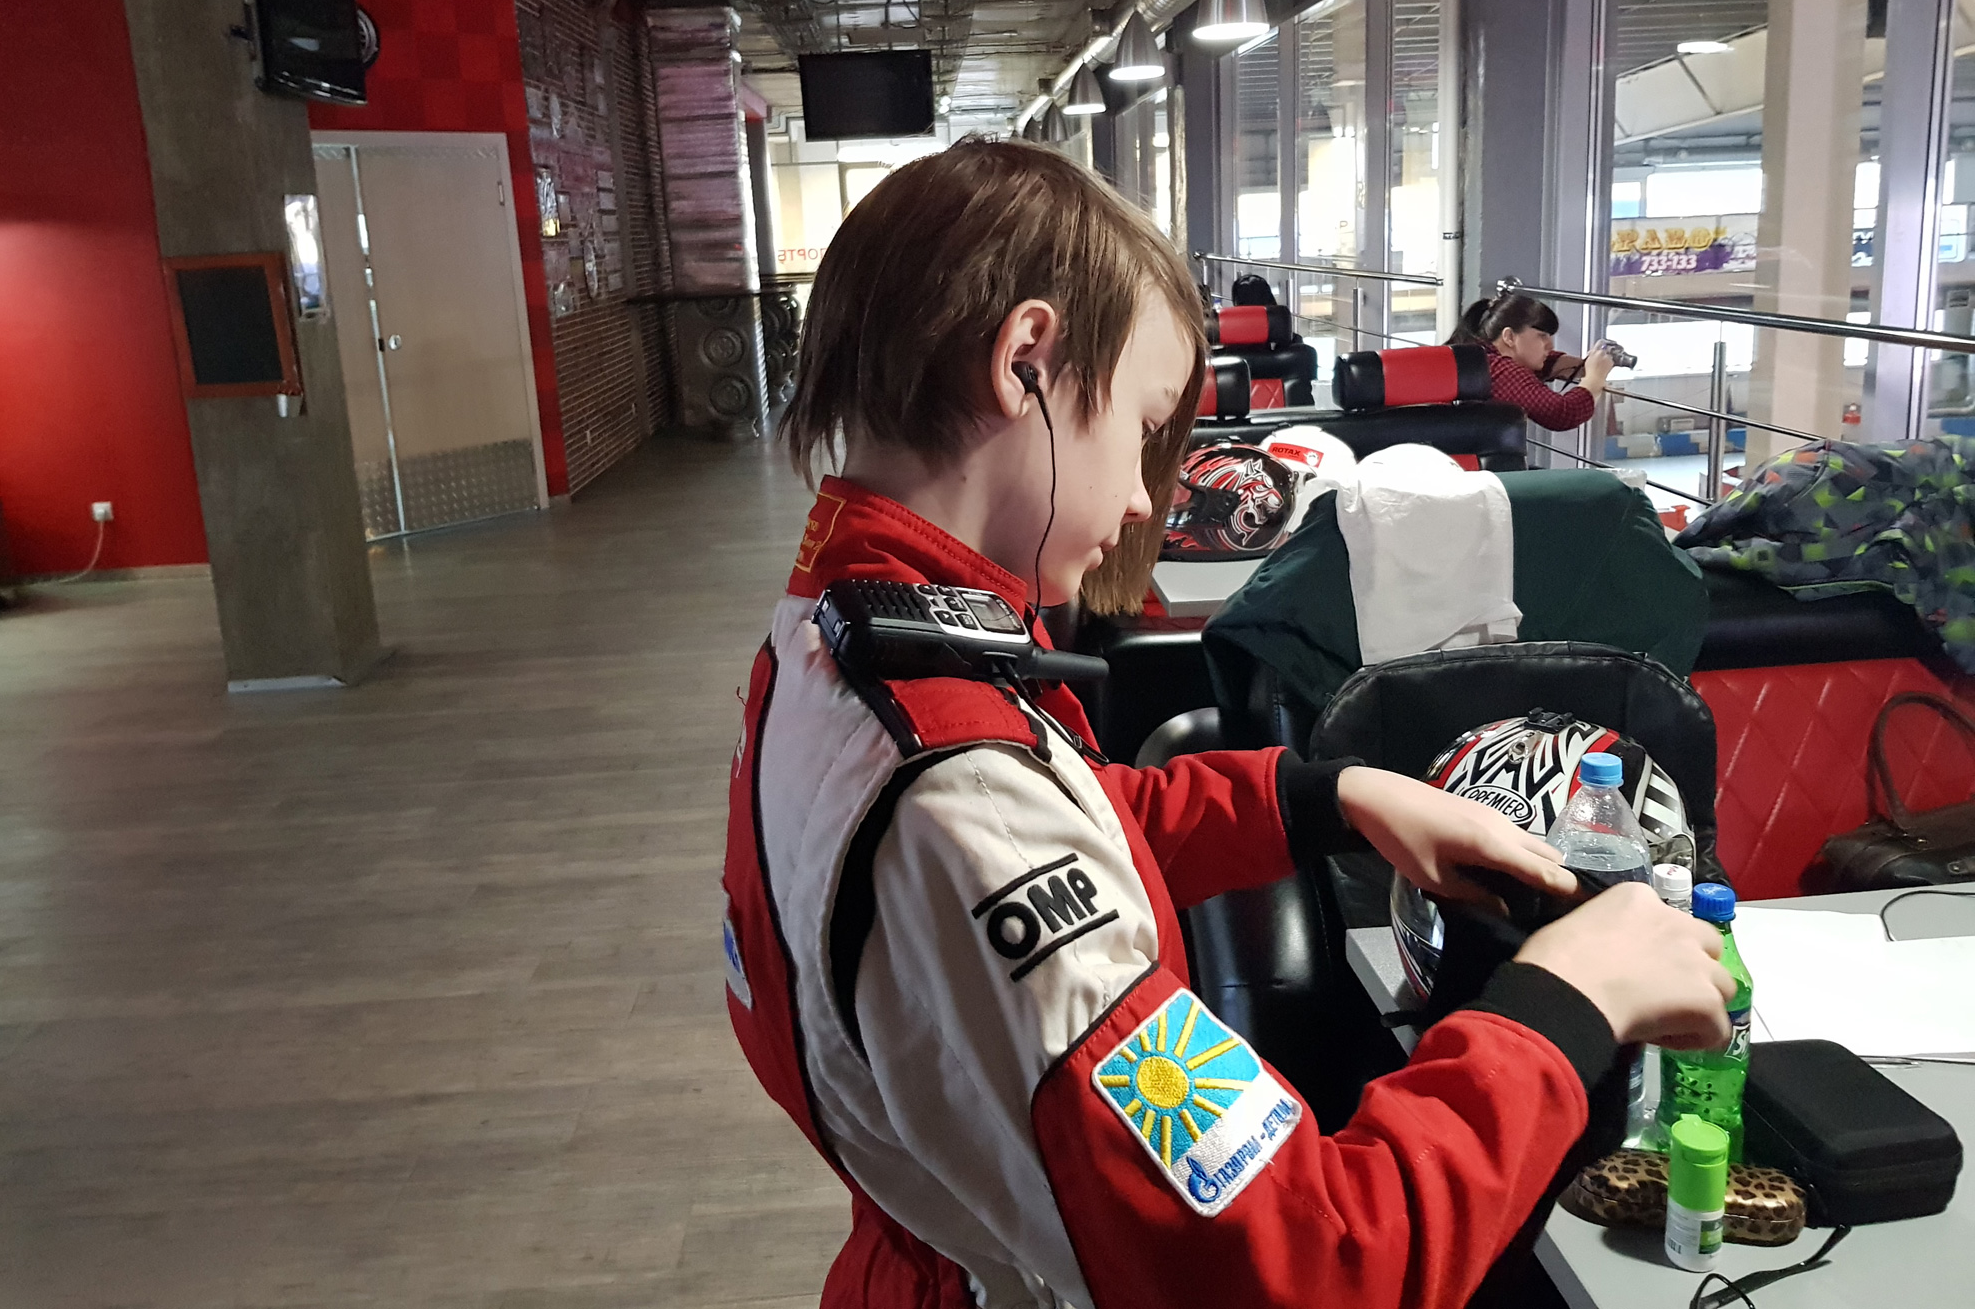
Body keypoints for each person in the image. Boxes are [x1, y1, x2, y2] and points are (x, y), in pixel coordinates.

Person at [724, 138, 1734, 1309]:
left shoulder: (839, 637)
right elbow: (1310, 1268)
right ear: (1024, 362)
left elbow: (1061, 816)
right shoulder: (954, 793)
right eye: (1141, 425)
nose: (1142, 497)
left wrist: (1323, 797)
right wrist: (1564, 1006)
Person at [1456, 292, 1612, 432]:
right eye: (1542, 336)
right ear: (1509, 337)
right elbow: (1563, 413)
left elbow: (1538, 363)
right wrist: (1595, 379)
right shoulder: (1501, 371)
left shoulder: (1478, 354)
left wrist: (1581, 365)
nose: (1550, 345)